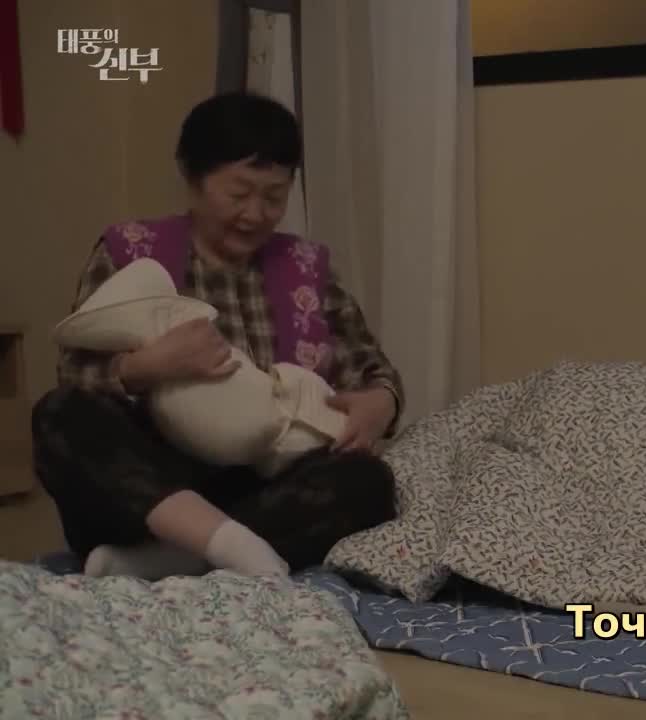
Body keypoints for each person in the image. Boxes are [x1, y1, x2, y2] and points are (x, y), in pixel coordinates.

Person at [32, 91, 402, 581]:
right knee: (59, 414)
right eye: (239, 194)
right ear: (192, 178)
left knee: (368, 482)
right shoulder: (130, 253)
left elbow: (373, 371)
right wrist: (148, 368)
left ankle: (174, 560)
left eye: (274, 197)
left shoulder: (306, 268)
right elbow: (76, 372)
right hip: (150, 491)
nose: (256, 214)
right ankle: (218, 544)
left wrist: (381, 403)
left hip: (257, 487)